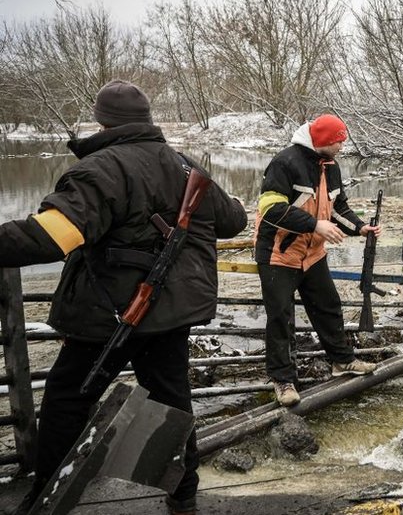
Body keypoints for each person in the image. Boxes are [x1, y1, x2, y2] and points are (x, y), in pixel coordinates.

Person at [0, 80, 248, 515]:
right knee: (172, 399)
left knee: (67, 399)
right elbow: (231, 221)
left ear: (102, 121)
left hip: (108, 314)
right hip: (170, 315)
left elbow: (50, 238)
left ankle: (46, 495)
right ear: (147, 119)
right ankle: (184, 495)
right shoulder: (184, 164)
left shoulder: (99, 169)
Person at [255, 114, 379, 408]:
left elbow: (338, 208)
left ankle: (341, 361)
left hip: (312, 253)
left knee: (328, 306)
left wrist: (359, 227)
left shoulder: (331, 167)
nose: (342, 146)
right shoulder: (284, 162)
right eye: (338, 141)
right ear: (323, 141)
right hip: (279, 254)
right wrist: (314, 225)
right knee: (280, 317)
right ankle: (283, 380)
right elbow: (270, 208)